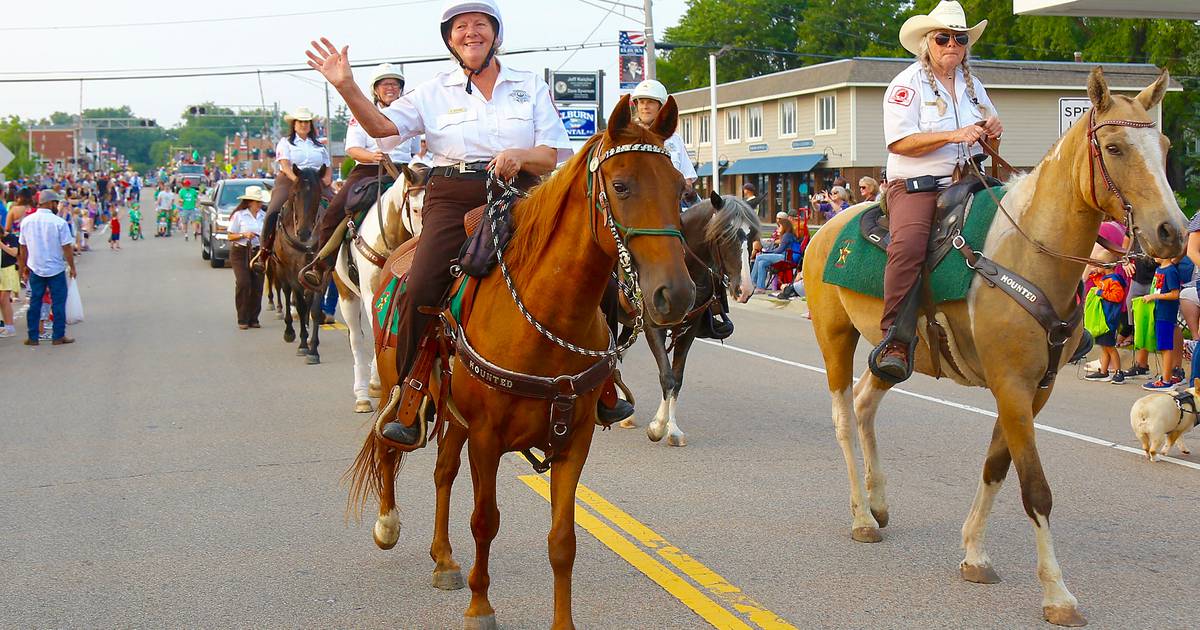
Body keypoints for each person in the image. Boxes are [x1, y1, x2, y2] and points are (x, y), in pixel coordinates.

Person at [306, 0, 598, 446]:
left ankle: (605, 379)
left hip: (525, 192)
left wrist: (519, 156)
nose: (471, 32)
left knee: (594, 267)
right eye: (461, 27)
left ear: (496, 33)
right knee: (420, 285)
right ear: (450, 39)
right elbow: (383, 130)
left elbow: (552, 153)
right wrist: (346, 86)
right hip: (453, 194)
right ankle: (409, 393)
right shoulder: (431, 91)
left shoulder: (529, 85)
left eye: (480, 24)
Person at [872, 0, 1001, 382]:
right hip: (917, 186)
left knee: (1022, 222)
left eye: (959, 39)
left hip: (970, 180)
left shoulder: (973, 86)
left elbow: (989, 132)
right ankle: (894, 336)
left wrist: (993, 130)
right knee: (909, 246)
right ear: (926, 42)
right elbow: (899, 142)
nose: (952, 46)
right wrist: (954, 134)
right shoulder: (906, 85)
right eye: (943, 38)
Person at [298, 63, 420, 289]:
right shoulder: (362, 113)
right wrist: (372, 156)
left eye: (395, 83)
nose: (390, 88)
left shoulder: (409, 113)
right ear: (375, 89)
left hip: (403, 171)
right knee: (333, 213)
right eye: (385, 84)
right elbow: (352, 149)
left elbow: (415, 150)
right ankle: (321, 266)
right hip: (369, 169)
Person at [251, 107, 333, 272]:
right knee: (273, 210)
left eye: (306, 122)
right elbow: (285, 165)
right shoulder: (285, 142)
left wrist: (325, 181)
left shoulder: (320, 145)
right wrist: (299, 181)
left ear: (311, 125)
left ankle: (338, 251)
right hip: (291, 180)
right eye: (300, 122)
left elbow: (328, 168)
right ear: (294, 124)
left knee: (338, 209)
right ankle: (264, 251)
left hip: (316, 183)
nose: (303, 125)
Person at [16, 190, 76, 346]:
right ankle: (58, 336)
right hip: (55, 268)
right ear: (50, 203)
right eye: (56, 203)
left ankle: (33, 337)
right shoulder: (59, 222)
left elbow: (23, 248)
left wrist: (24, 267)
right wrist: (72, 266)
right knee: (58, 303)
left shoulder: (27, 221)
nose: (57, 206)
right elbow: (67, 248)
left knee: (35, 303)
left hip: (35, 268)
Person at [630, 80, 696, 192]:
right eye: (641, 102)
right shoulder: (628, 138)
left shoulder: (675, 139)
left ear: (661, 107)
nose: (645, 106)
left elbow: (687, 179)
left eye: (650, 102)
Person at [227, 186, 269, 329]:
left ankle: (254, 318)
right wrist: (244, 235)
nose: (260, 204)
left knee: (258, 285)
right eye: (257, 202)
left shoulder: (264, 216)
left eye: (260, 202)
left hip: (258, 252)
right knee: (243, 282)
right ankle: (242, 318)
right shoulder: (239, 215)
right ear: (250, 202)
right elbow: (230, 236)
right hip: (241, 252)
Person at [1141, 256, 1183, 390]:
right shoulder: (1159, 269)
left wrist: (1154, 296)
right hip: (1158, 311)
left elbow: (1175, 294)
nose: (1153, 255)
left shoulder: (1170, 271)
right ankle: (1166, 376)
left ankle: (1166, 380)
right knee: (1163, 346)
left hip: (1166, 313)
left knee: (1166, 347)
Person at [750, 215, 799, 291]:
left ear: (784, 227)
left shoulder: (786, 236)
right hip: (786, 256)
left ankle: (752, 282)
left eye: (779, 226)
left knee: (759, 257)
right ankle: (760, 287)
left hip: (786, 257)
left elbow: (779, 250)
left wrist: (767, 253)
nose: (777, 229)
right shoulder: (788, 235)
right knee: (762, 263)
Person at [0, 222, 19, 338]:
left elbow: (14, 253)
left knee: (4, 299)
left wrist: (1, 245)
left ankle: (10, 327)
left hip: (9, 270)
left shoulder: (10, 237)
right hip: (0, 271)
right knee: (1, 300)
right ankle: (6, 326)